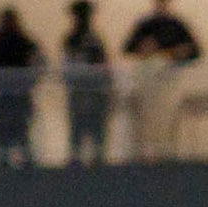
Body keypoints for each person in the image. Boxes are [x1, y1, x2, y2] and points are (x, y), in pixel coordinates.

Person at [122, 0, 200, 153]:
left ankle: (166, 152)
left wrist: (178, 52)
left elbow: (195, 51)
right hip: (147, 82)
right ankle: (144, 152)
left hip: (171, 82)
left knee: (167, 119)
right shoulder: (145, 25)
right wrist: (144, 49)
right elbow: (128, 48)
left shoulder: (177, 25)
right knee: (145, 120)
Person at [0, 6, 44, 167]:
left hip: (19, 96)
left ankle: (24, 164)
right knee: (3, 135)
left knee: (21, 132)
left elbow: (40, 61)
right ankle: (5, 163)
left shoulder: (22, 41)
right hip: (3, 97)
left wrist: (31, 80)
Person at [61, 0, 113, 162]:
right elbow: (68, 65)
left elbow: (103, 66)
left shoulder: (95, 41)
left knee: (96, 130)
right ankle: (77, 159)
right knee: (78, 129)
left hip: (95, 93)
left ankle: (96, 159)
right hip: (79, 92)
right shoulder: (71, 40)